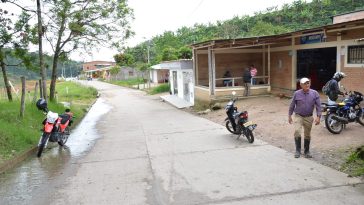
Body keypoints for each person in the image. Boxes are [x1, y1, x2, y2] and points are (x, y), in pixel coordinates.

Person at [288, 77, 321, 158]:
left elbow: (318, 106)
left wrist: (318, 116)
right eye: (305, 83)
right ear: (301, 85)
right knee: (297, 131)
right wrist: (289, 115)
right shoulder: (297, 93)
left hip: (309, 117)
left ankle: (307, 151)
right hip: (298, 116)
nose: (307, 84)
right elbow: (292, 105)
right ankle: (298, 150)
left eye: (308, 83)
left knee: (307, 134)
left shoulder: (315, 93)